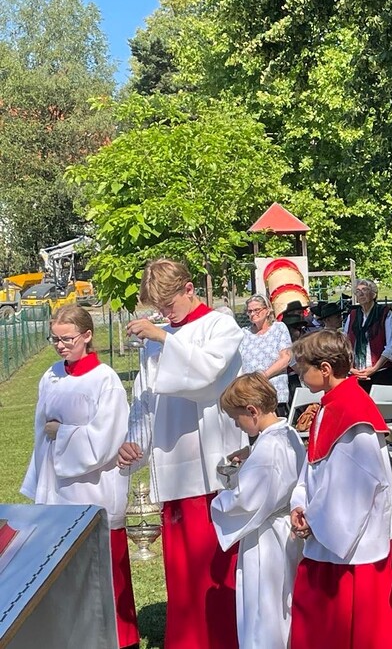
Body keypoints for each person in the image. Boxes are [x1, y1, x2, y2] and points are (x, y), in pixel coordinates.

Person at [117, 258, 244, 649]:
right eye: (158, 307)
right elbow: (145, 397)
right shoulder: (159, 338)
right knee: (183, 571)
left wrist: (162, 337)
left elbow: (206, 376)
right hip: (172, 464)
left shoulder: (221, 325)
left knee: (216, 566)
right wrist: (134, 442)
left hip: (214, 463)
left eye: (169, 304)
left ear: (189, 289)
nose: (165, 314)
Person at [287, 330, 392, 649]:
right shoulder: (329, 406)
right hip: (325, 531)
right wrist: (300, 503)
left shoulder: (353, 413)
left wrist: (314, 520)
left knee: (357, 629)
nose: (299, 376)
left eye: (303, 369)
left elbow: (356, 488)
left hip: (351, 547)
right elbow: (314, 467)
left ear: (325, 369)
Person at [22, 305, 138, 648]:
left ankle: (117, 638)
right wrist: (43, 472)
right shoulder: (51, 376)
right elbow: (40, 431)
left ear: (87, 336)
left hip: (93, 484)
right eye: (55, 339)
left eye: (67, 339)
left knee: (101, 565)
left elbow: (107, 437)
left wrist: (63, 433)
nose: (60, 346)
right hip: (57, 484)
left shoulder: (105, 380)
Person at [211, 373, 306, 649]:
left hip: (266, 536)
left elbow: (247, 500)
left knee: (264, 607)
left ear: (252, 411)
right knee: (283, 602)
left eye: (236, 418)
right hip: (284, 529)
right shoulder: (288, 433)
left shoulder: (268, 447)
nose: (236, 424)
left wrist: (219, 500)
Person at [240, 294, 293, 416]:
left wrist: (263, 376)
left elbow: (286, 358)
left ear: (267, 310)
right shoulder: (244, 333)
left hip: (273, 392)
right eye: (249, 311)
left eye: (257, 310)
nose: (253, 314)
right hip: (250, 394)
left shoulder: (279, 328)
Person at [343, 279, 392, 388]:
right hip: (356, 374)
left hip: (381, 373)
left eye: (364, 290)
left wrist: (374, 368)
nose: (360, 294)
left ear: (374, 294)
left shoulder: (384, 313)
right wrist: (350, 368)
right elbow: (345, 344)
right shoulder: (353, 315)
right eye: (358, 291)